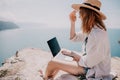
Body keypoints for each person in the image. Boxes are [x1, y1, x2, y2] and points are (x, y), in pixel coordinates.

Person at [40, 0, 111, 80]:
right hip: (88, 65)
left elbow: (89, 62)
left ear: (87, 14)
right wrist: (72, 22)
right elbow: (74, 37)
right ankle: (51, 76)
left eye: (80, 13)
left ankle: (45, 77)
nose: (79, 16)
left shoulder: (98, 34)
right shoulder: (92, 29)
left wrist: (74, 56)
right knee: (62, 53)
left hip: (92, 71)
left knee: (52, 63)